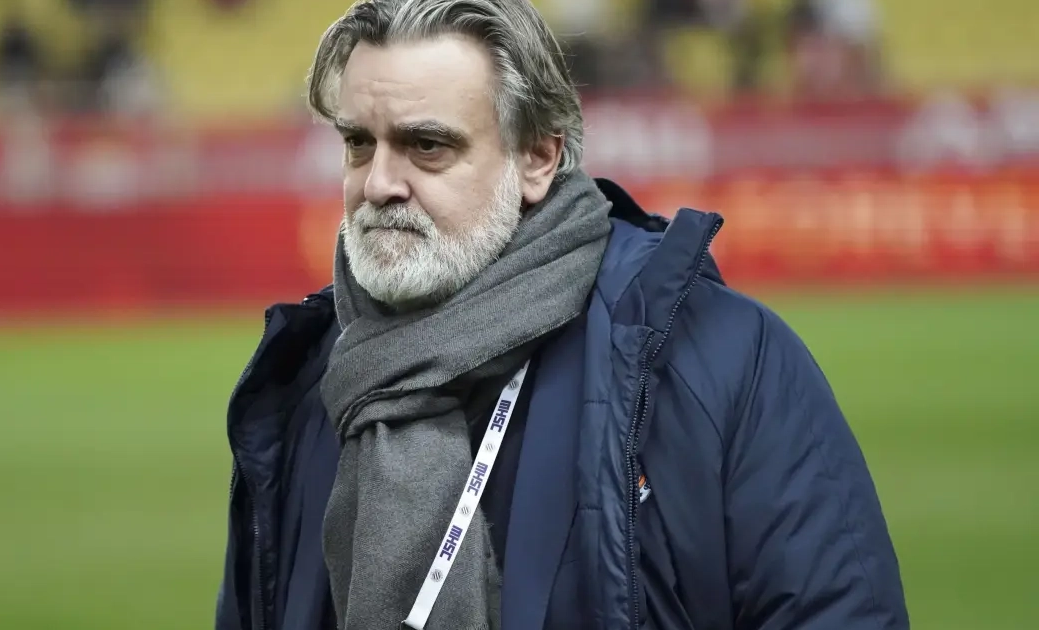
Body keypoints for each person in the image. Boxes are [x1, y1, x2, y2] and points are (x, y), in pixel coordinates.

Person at [215, 1, 910, 628]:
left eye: (427, 145)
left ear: (538, 157)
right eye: (359, 144)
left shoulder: (722, 361)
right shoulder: (303, 386)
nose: (378, 184)